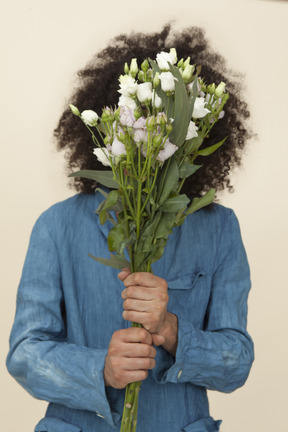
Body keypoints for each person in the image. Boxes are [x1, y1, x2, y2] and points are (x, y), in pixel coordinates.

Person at [6, 25, 254, 432]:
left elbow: (237, 363)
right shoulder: (56, 225)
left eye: (170, 127)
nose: (153, 138)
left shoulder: (219, 227)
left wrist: (171, 330)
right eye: (139, 124)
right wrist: (99, 368)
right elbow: (24, 354)